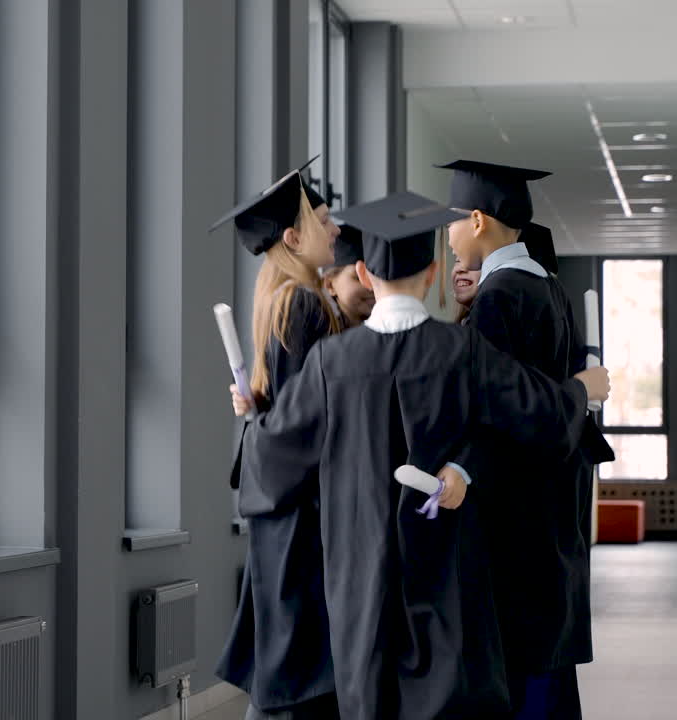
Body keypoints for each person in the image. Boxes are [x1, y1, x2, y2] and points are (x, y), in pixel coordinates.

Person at [234, 190, 612, 720]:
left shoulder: (330, 361)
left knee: (366, 695)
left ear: (364, 274)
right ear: (435, 273)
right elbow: (541, 414)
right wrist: (581, 388)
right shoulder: (462, 351)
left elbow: (270, 463)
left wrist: (256, 416)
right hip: (444, 567)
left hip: (356, 571)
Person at [437, 160, 615, 720]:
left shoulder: (501, 296)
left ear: (476, 220)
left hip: (510, 518)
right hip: (551, 510)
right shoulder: (547, 287)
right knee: (548, 663)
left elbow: (494, 407)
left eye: (452, 224)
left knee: (517, 673)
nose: (447, 237)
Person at [210, 164, 342, 719]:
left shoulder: (281, 300)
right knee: (295, 667)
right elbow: (302, 419)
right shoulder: (303, 305)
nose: (334, 228)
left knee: (288, 658)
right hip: (300, 509)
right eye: (323, 219)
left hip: (282, 506)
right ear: (292, 236)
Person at [321, 224, 375, 327]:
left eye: (378, 275)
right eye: (358, 277)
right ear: (330, 285)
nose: (373, 286)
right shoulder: (320, 337)